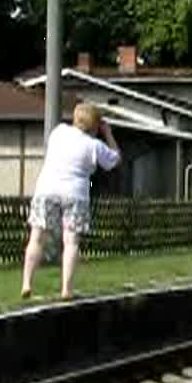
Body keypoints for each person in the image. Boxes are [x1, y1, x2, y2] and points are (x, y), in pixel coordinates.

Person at [21, 102, 121, 300]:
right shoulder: (94, 146)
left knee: (37, 237)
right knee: (71, 241)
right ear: (95, 125)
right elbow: (115, 160)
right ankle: (66, 288)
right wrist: (108, 134)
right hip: (75, 193)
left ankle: (26, 283)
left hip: (47, 188)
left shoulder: (58, 132)